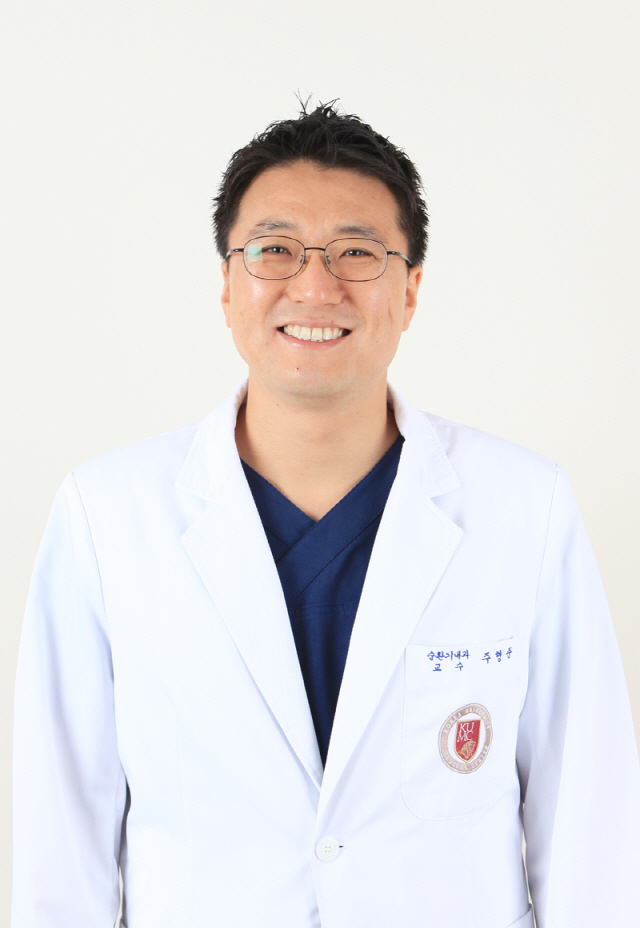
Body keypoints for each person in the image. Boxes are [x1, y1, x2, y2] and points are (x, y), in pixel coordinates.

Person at [12, 102, 640, 928]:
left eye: (357, 252)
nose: (314, 286)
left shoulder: (524, 507)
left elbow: (590, 830)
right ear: (228, 287)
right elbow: (61, 853)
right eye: (275, 250)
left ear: (410, 290)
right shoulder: (107, 516)